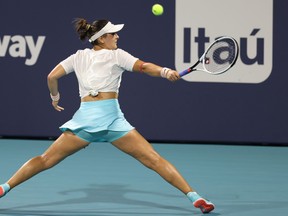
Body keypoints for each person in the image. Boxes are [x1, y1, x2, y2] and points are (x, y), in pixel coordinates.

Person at [0, 18, 214, 214]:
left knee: (45, 160)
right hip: (111, 121)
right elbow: (145, 67)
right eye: (113, 34)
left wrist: (55, 98)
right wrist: (165, 72)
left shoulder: (78, 57)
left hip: (86, 120)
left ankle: (4, 187)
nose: (117, 37)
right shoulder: (116, 55)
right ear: (102, 38)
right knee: (154, 160)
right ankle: (194, 196)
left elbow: (51, 76)